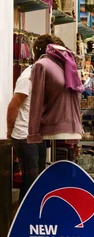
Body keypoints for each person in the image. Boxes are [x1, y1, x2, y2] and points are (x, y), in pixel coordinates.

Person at [7, 35, 64, 202]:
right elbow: (13, 106)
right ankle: (25, 219)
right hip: (24, 135)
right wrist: (10, 132)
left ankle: (33, 216)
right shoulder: (28, 77)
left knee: (38, 179)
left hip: (35, 135)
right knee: (31, 180)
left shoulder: (43, 74)